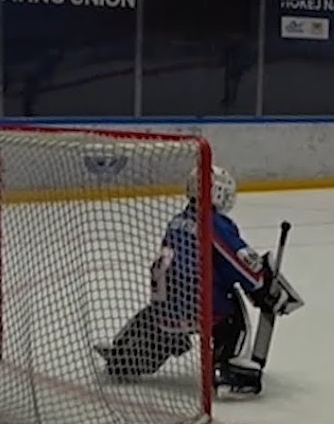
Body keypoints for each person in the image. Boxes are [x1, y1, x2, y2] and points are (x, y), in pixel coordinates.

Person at [94, 165, 289, 395]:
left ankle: (125, 353)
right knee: (232, 313)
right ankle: (227, 365)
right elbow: (240, 265)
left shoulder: (177, 221)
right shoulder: (214, 223)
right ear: (215, 192)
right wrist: (262, 283)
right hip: (201, 308)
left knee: (159, 316)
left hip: (164, 312)